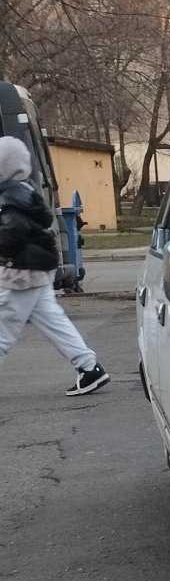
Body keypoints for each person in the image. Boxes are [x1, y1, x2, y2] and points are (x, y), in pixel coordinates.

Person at [0, 136, 109, 396]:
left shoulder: (8, 196)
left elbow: (11, 235)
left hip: (20, 273)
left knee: (3, 326)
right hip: (36, 269)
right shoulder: (25, 190)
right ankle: (89, 367)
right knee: (54, 321)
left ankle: (89, 366)